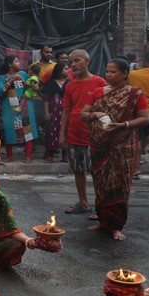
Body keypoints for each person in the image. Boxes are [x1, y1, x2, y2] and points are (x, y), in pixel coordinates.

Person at [80, 58, 149, 241]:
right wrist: (94, 114)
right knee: (101, 185)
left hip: (122, 145)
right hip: (99, 145)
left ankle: (116, 226)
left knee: (119, 185)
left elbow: (145, 119)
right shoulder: (97, 92)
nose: (108, 75)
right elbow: (83, 115)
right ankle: (103, 222)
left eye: (113, 72)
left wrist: (124, 124)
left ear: (125, 74)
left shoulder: (134, 94)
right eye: (107, 71)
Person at [59, 49, 107, 215]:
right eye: (71, 62)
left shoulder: (100, 82)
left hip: (93, 134)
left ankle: (100, 206)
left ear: (87, 61)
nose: (73, 65)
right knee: (78, 170)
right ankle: (83, 203)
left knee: (95, 171)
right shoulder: (70, 85)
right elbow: (66, 110)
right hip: (74, 133)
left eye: (77, 60)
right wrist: (62, 134)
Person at [0, 56, 38, 162]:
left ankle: (28, 156)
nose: (19, 63)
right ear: (10, 64)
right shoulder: (1, 77)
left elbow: (30, 86)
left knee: (27, 128)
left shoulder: (24, 74)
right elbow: (0, 91)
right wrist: (12, 79)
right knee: (9, 129)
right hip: (9, 107)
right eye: (16, 61)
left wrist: (34, 86)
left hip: (25, 106)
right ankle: (9, 156)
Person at [41, 61, 70, 163]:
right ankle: (50, 155)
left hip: (67, 111)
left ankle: (65, 155)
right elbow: (46, 99)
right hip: (54, 110)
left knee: (66, 130)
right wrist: (46, 112)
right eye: (66, 69)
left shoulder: (70, 83)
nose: (68, 71)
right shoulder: (51, 83)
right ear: (59, 70)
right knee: (51, 131)